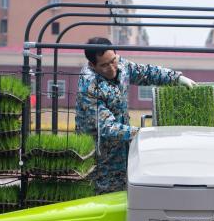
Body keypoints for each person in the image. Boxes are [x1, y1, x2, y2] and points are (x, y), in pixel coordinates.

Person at [75, 37, 195, 194]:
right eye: (104, 65)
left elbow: (146, 73)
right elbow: (106, 127)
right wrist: (143, 133)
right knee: (100, 197)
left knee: (122, 194)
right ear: (92, 65)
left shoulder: (121, 65)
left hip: (121, 149)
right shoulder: (89, 85)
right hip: (98, 155)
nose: (112, 68)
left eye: (113, 61)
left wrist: (176, 78)